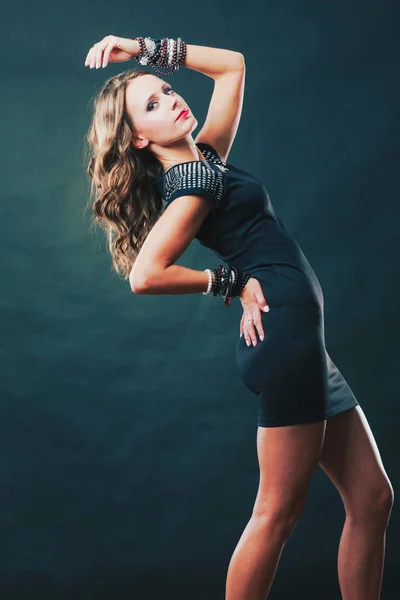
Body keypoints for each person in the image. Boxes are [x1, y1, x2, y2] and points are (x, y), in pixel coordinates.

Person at [84, 35, 394, 600]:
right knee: (277, 512)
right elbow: (145, 274)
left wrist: (141, 50)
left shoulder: (206, 158)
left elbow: (232, 68)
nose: (172, 102)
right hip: (285, 343)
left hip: (301, 342)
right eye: (151, 107)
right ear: (137, 138)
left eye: (168, 91)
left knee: (372, 499)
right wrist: (228, 281)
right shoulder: (194, 185)